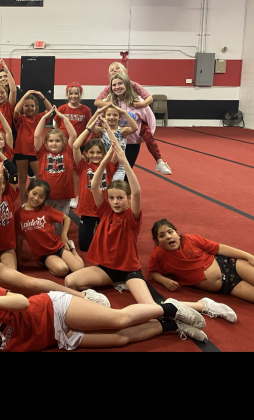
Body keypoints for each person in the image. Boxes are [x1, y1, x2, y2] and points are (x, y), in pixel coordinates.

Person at [64, 137, 212, 343]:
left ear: (128, 199)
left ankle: (202, 306)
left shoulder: (131, 216)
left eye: (120, 198)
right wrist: (105, 159)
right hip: (107, 269)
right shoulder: (105, 210)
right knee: (70, 281)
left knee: (150, 308)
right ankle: (107, 288)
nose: (115, 202)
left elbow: (136, 190)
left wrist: (124, 162)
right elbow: (95, 185)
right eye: (112, 198)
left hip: (128, 270)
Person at [0, 283, 208, 352]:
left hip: (55, 309)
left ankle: (170, 308)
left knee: (119, 320)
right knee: (121, 339)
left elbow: (22, 302)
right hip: (57, 337)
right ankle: (170, 326)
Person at [148, 221, 254, 313]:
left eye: (170, 232)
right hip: (229, 286)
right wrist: (164, 281)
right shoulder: (158, 254)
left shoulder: (190, 239)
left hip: (232, 265)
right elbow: (152, 272)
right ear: (157, 242)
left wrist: (248, 257)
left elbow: (219, 248)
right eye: (162, 235)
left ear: (177, 233)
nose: (168, 237)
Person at [96, 64, 172, 175]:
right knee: (110, 172)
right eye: (114, 84)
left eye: (120, 83)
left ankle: (159, 161)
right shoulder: (107, 100)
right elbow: (97, 111)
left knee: (126, 173)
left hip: (132, 142)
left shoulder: (138, 99)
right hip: (112, 141)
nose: (117, 86)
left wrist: (148, 134)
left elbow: (150, 117)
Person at [16, 181, 83, 278]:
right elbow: (19, 236)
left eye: (41, 197)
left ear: (45, 199)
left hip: (57, 246)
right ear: (28, 191)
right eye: (34, 193)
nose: (36, 198)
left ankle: (72, 249)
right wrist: (18, 258)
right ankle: (50, 263)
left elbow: (66, 218)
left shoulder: (47, 209)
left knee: (79, 269)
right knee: (62, 270)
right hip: (43, 254)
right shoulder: (19, 213)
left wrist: (64, 235)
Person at [34, 109, 77, 240]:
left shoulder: (68, 151)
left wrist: (64, 118)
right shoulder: (42, 152)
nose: (54, 143)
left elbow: (73, 135)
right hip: (46, 194)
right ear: (46, 143)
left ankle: (59, 241)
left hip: (63, 195)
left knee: (60, 222)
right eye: (51, 141)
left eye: (57, 141)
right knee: (45, 220)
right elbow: (36, 136)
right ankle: (47, 240)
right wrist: (43, 118)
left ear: (63, 142)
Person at [72, 131, 117, 253]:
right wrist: (89, 127)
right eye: (91, 152)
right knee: (84, 247)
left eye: (98, 152)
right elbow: (75, 146)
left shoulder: (108, 166)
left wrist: (107, 128)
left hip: (104, 209)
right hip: (87, 210)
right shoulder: (82, 166)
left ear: (104, 154)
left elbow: (116, 147)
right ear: (86, 153)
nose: (95, 155)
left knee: (107, 246)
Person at [13, 90, 55, 202]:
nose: (29, 108)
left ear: (36, 107)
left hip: (36, 152)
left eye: (32, 106)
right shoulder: (20, 118)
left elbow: (51, 110)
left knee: (40, 176)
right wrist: (25, 95)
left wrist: (42, 97)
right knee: (22, 178)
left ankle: (40, 199)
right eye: (26, 106)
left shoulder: (39, 118)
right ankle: (24, 201)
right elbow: (16, 110)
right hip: (20, 151)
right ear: (22, 107)